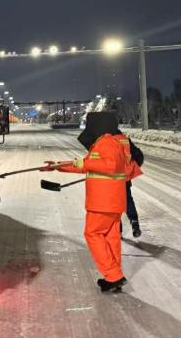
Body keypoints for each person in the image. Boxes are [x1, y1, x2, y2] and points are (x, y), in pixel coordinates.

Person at [42, 111, 142, 293]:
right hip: (112, 202)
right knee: (111, 238)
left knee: (93, 233)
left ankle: (114, 276)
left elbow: (110, 165)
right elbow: (85, 165)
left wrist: (85, 164)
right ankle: (114, 277)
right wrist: (57, 166)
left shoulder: (107, 143)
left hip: (103, 201)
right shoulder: (110, 142)